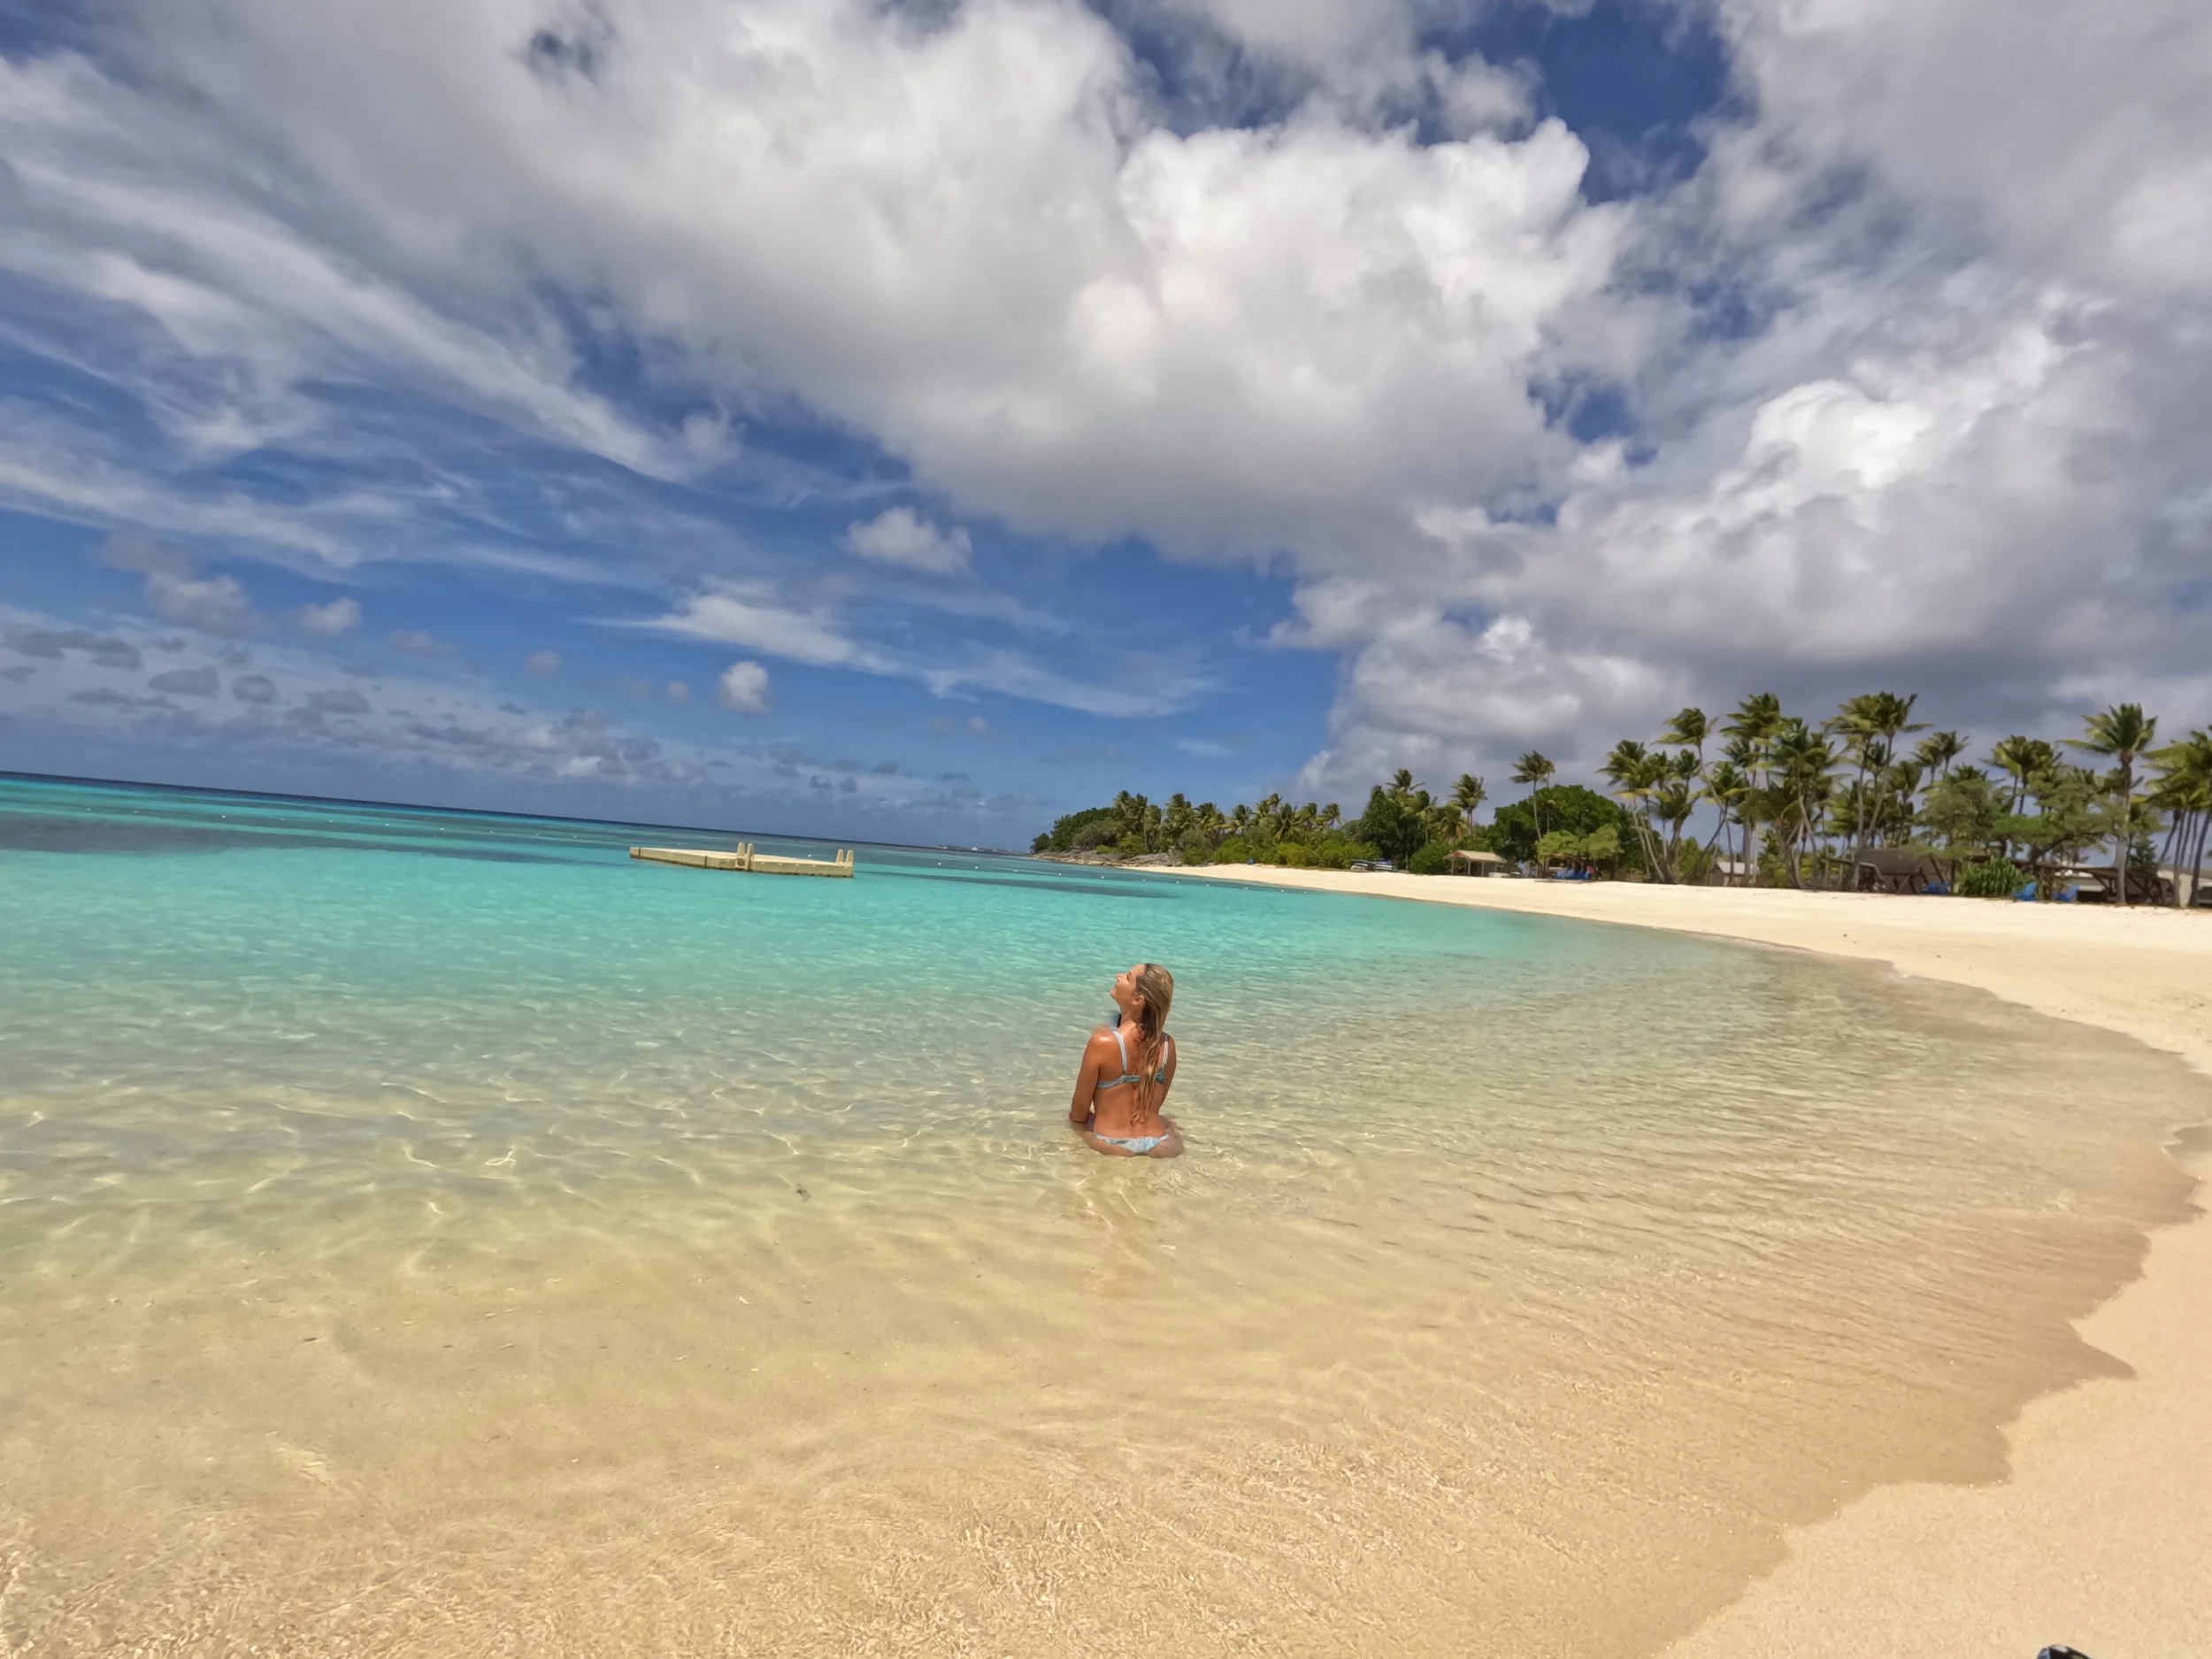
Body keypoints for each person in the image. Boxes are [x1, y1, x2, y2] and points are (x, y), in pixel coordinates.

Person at [1068, 962, 1182, 1157]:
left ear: (1138, 999)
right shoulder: (1167, 1045)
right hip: (1159, 1142)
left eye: (1127, 977)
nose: (1118, 976)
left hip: (1111, 1143)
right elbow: (1154, 1105)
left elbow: (1078, 1113)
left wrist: (1087, 1138)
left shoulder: (1103, 1042)